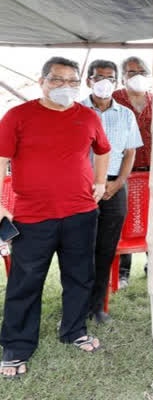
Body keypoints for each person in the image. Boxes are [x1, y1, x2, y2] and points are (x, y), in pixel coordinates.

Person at [0, 57, 111, 378]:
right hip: (32, 216)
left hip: (81, 212)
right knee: (25, 281)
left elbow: (103, 149)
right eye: (57, 80)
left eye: (72, 82)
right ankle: (17, 345)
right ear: (42, 82)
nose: (65, 87)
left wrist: (101, 182)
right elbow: (2, 158)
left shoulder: (88, 117)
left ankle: (74, 330)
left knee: (79, 276)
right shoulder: (18, 116)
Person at [82, 60, 143, 323]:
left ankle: (97, 308)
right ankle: (75, 306)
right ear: (89, 81)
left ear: (117, 82)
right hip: (81, 187)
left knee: (106, 248)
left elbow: (130, 152)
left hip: (114, 186)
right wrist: (90, 184)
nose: (104, 81)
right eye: (99, 77)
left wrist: (118, 183)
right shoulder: (75, 111)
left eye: (110, 77)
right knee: (79, 248)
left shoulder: (126, 115)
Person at [113, 56, 153, 288]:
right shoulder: (114, 99)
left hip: (152, 170)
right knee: (123, 219)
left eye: (140, 71)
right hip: (122, 170)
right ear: (123, 76)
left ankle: (152, 264)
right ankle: (122, 272)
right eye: (130, 72)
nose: (135, 75)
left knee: (151, 218)